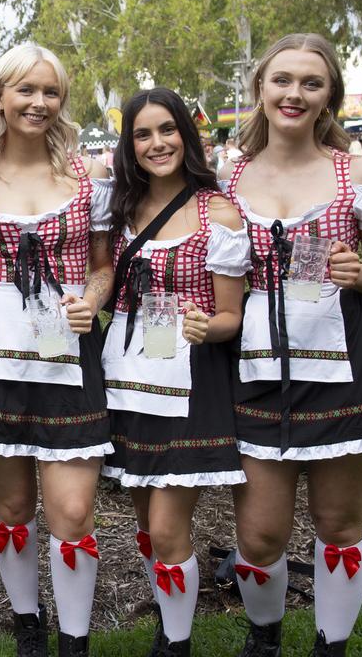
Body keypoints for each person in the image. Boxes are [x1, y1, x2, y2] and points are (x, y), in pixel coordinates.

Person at [221, 34, 362, 657]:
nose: (295, 94)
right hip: (253, 367)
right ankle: (264, 638)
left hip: (347, 364)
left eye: (311, 83)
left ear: (328, 97)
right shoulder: (225, 177)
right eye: (282, 80)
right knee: (259, 537)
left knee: (339, 524)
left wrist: (358, 274)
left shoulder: (361, 174)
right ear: (261, 87)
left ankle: (329, 647)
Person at [0, 43, 113, 657]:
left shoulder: (85, 178)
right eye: (26, 90)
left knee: (71, 510)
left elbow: (102, 267)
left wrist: (92, 299)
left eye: (51, 92)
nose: (39, 103)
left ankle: (75, 641)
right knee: (13, 503)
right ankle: (29, 626)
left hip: (66, 342)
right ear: (0, 96)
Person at [101, 88, 250, 657]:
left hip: (191, 380)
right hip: (130, 373)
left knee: (166, 528)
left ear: (187, 136)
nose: (157, 143)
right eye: (143, 134)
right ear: (129, 144)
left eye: (168, 130)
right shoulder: (119, 209)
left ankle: (177, 644)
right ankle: (169, 617)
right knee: (144, 517)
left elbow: (231, 316)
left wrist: (204, 326)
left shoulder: (219, 213)